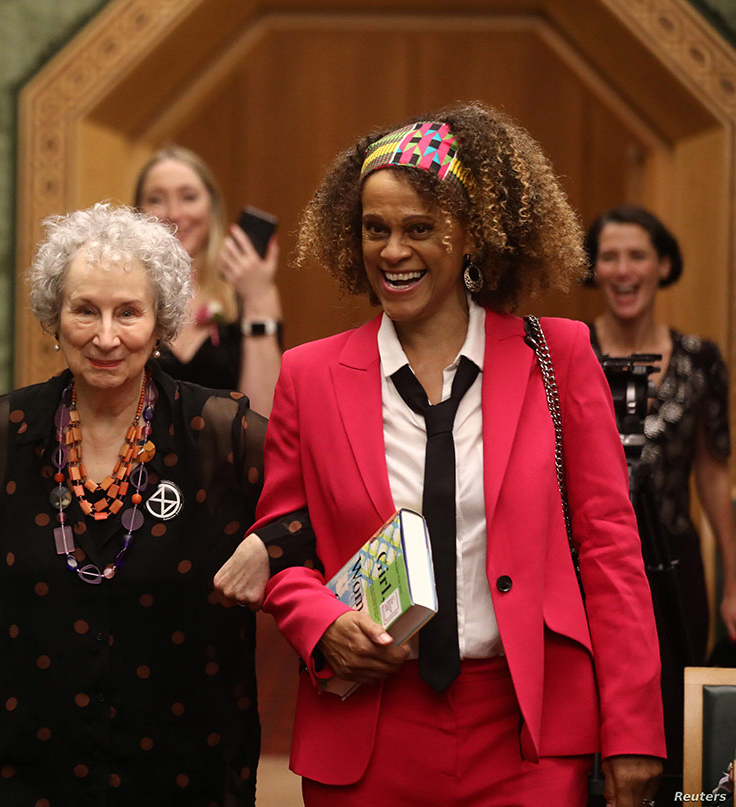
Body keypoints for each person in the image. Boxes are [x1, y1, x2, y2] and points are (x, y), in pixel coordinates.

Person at [225, 104, 665, 806]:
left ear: (471, 235)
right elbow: (283, 544)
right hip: (368, 730)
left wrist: (635, 731)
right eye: (376, 229)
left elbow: (612, 551)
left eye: (419, 228)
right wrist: (321, 622)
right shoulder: (310, 376)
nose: (393, 251)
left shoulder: (560, 356)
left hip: (529, 730)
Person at [0, 203, 285, 806]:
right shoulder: (8, 429)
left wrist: (269, 544)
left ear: (161, 323)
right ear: (54, 318)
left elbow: (321, 506)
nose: (106, 336)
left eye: (128, 312)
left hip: (182, 768)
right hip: (21, 764)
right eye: (85, 310)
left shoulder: (221, 432)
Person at [585, 205, 735, 776]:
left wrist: (733, 583)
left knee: (675, 734)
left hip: (675, 571)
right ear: (594, 268)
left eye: (638, 256)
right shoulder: (566, 354)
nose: (624, 270)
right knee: (594, 737)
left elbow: (715, 474)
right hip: (588, 572)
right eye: (610, 256)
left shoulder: (701, 360)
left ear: (663, 264)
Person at [134, 146, 282, 415]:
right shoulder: (124, 295)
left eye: (188, 197)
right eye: (156, 199)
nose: (175, 213)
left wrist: (258, 299)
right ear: (138, 212)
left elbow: (264, 417)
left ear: (211, 207)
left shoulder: (247, 293)